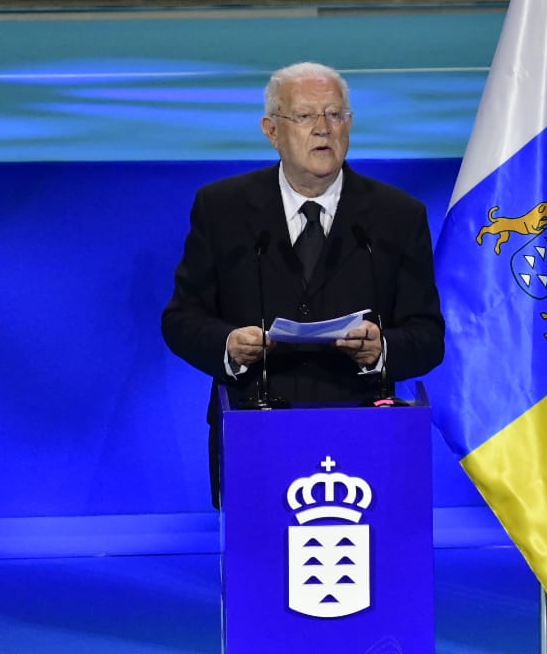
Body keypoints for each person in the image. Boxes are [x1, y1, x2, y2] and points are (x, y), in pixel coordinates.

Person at [162, 61, 445, 505]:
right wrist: (228, 346)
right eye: (305, 115)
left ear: (349, 125)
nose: (323, 128)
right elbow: (181, 319)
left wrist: (382, 349)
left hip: (365, 440)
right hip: (255, 436)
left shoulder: (398, 216)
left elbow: (428, 336)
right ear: (271, 130)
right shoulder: (222, 209)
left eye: (335, 114)